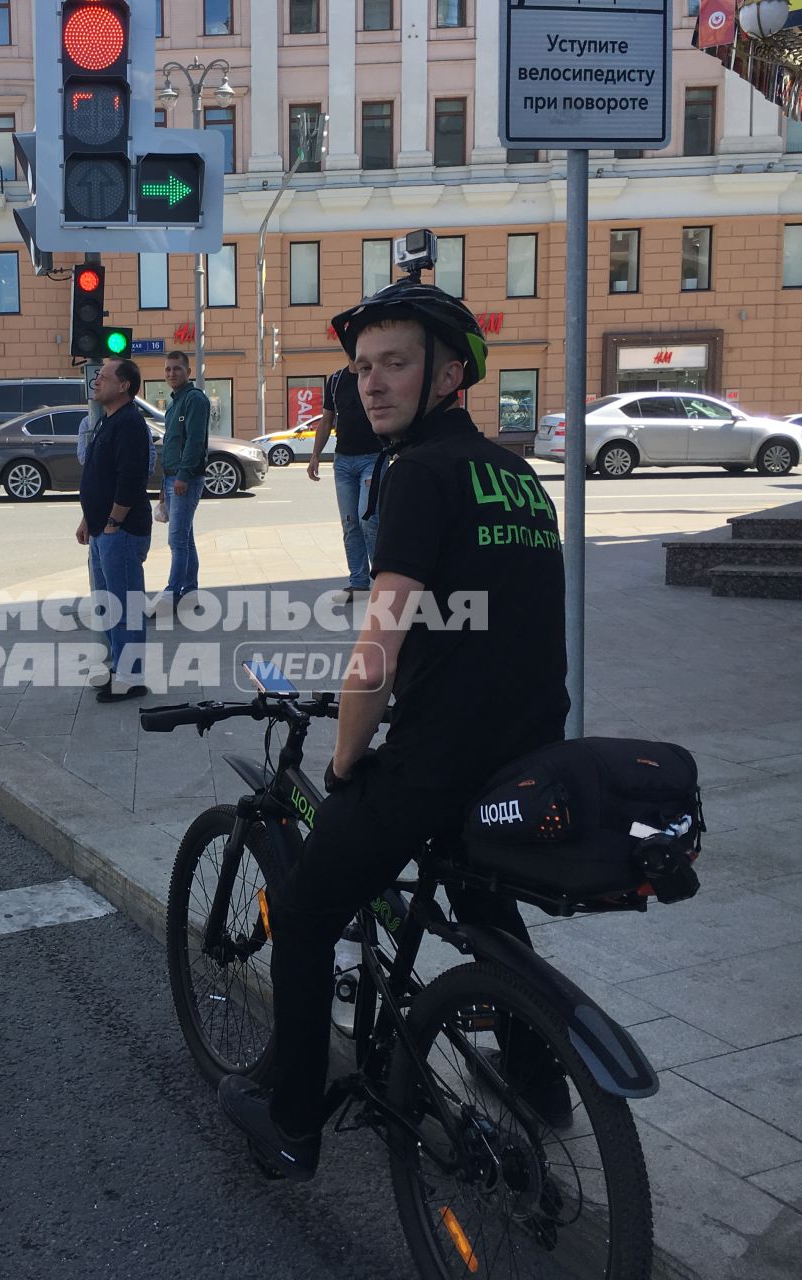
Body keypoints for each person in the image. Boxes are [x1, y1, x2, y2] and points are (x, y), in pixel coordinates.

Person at [217, 281, 570, 1180]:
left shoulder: (417, 474)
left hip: (440, 759)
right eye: (361, 369)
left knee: (300, 916)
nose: (369, 386)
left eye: (395, 364)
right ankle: (541, 1082)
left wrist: (342, 764)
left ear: (449, 373)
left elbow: (379, 643)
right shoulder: (516, 474)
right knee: (487, 907)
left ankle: (292, 1123)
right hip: (526, 751)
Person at [76, 358, 153, 703]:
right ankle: (121, 670)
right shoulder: (107, 420)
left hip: (119, 532)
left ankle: (131, 678)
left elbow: (131, 478)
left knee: (124, 606)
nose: (97, 381)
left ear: (123, 386)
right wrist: (88, 521)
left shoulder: (130, 424)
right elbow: (96, 476)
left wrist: (112, 522)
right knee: (109, 606)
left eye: (103, 377)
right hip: (101, 531)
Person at [307, 359, 384, 601]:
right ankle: (358, 583)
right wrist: (315, 456)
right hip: (343, 462)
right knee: (350, 523)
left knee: (368, 519)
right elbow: (327, 420)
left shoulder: (375, 375)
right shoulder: (336, 380)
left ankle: (382, 582)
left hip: (373, 458)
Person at [151, 350, 209, 612]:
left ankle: (172, 594)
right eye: (167, 369)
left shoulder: (195, 400)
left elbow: (195, 441)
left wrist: (183, 476)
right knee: (186, 537)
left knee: (177, 540)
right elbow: (173, 444)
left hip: (186, 478)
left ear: (188, 371)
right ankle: (190, 592)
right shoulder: (174, 402)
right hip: (172, 478)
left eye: (177, 368)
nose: (171, 373)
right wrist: (165, 484)